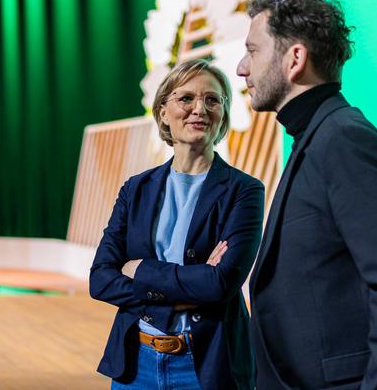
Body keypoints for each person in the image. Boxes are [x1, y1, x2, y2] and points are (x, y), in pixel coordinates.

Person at [237, 0, 377, 389]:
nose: (242, 67)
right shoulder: (315, 136)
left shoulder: (344, 139)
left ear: (294, 60)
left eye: (253, 51)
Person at [90, 59, 264, 390]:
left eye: (212, 100)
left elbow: (219, 284)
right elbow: (100, 279)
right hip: (135, 364)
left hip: (206, 367)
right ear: (163, 113)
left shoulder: (245, 191)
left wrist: (138, 268)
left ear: (223, 115)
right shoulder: (135, 189)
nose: (199, 109)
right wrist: (188, 289)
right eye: (186, 99)